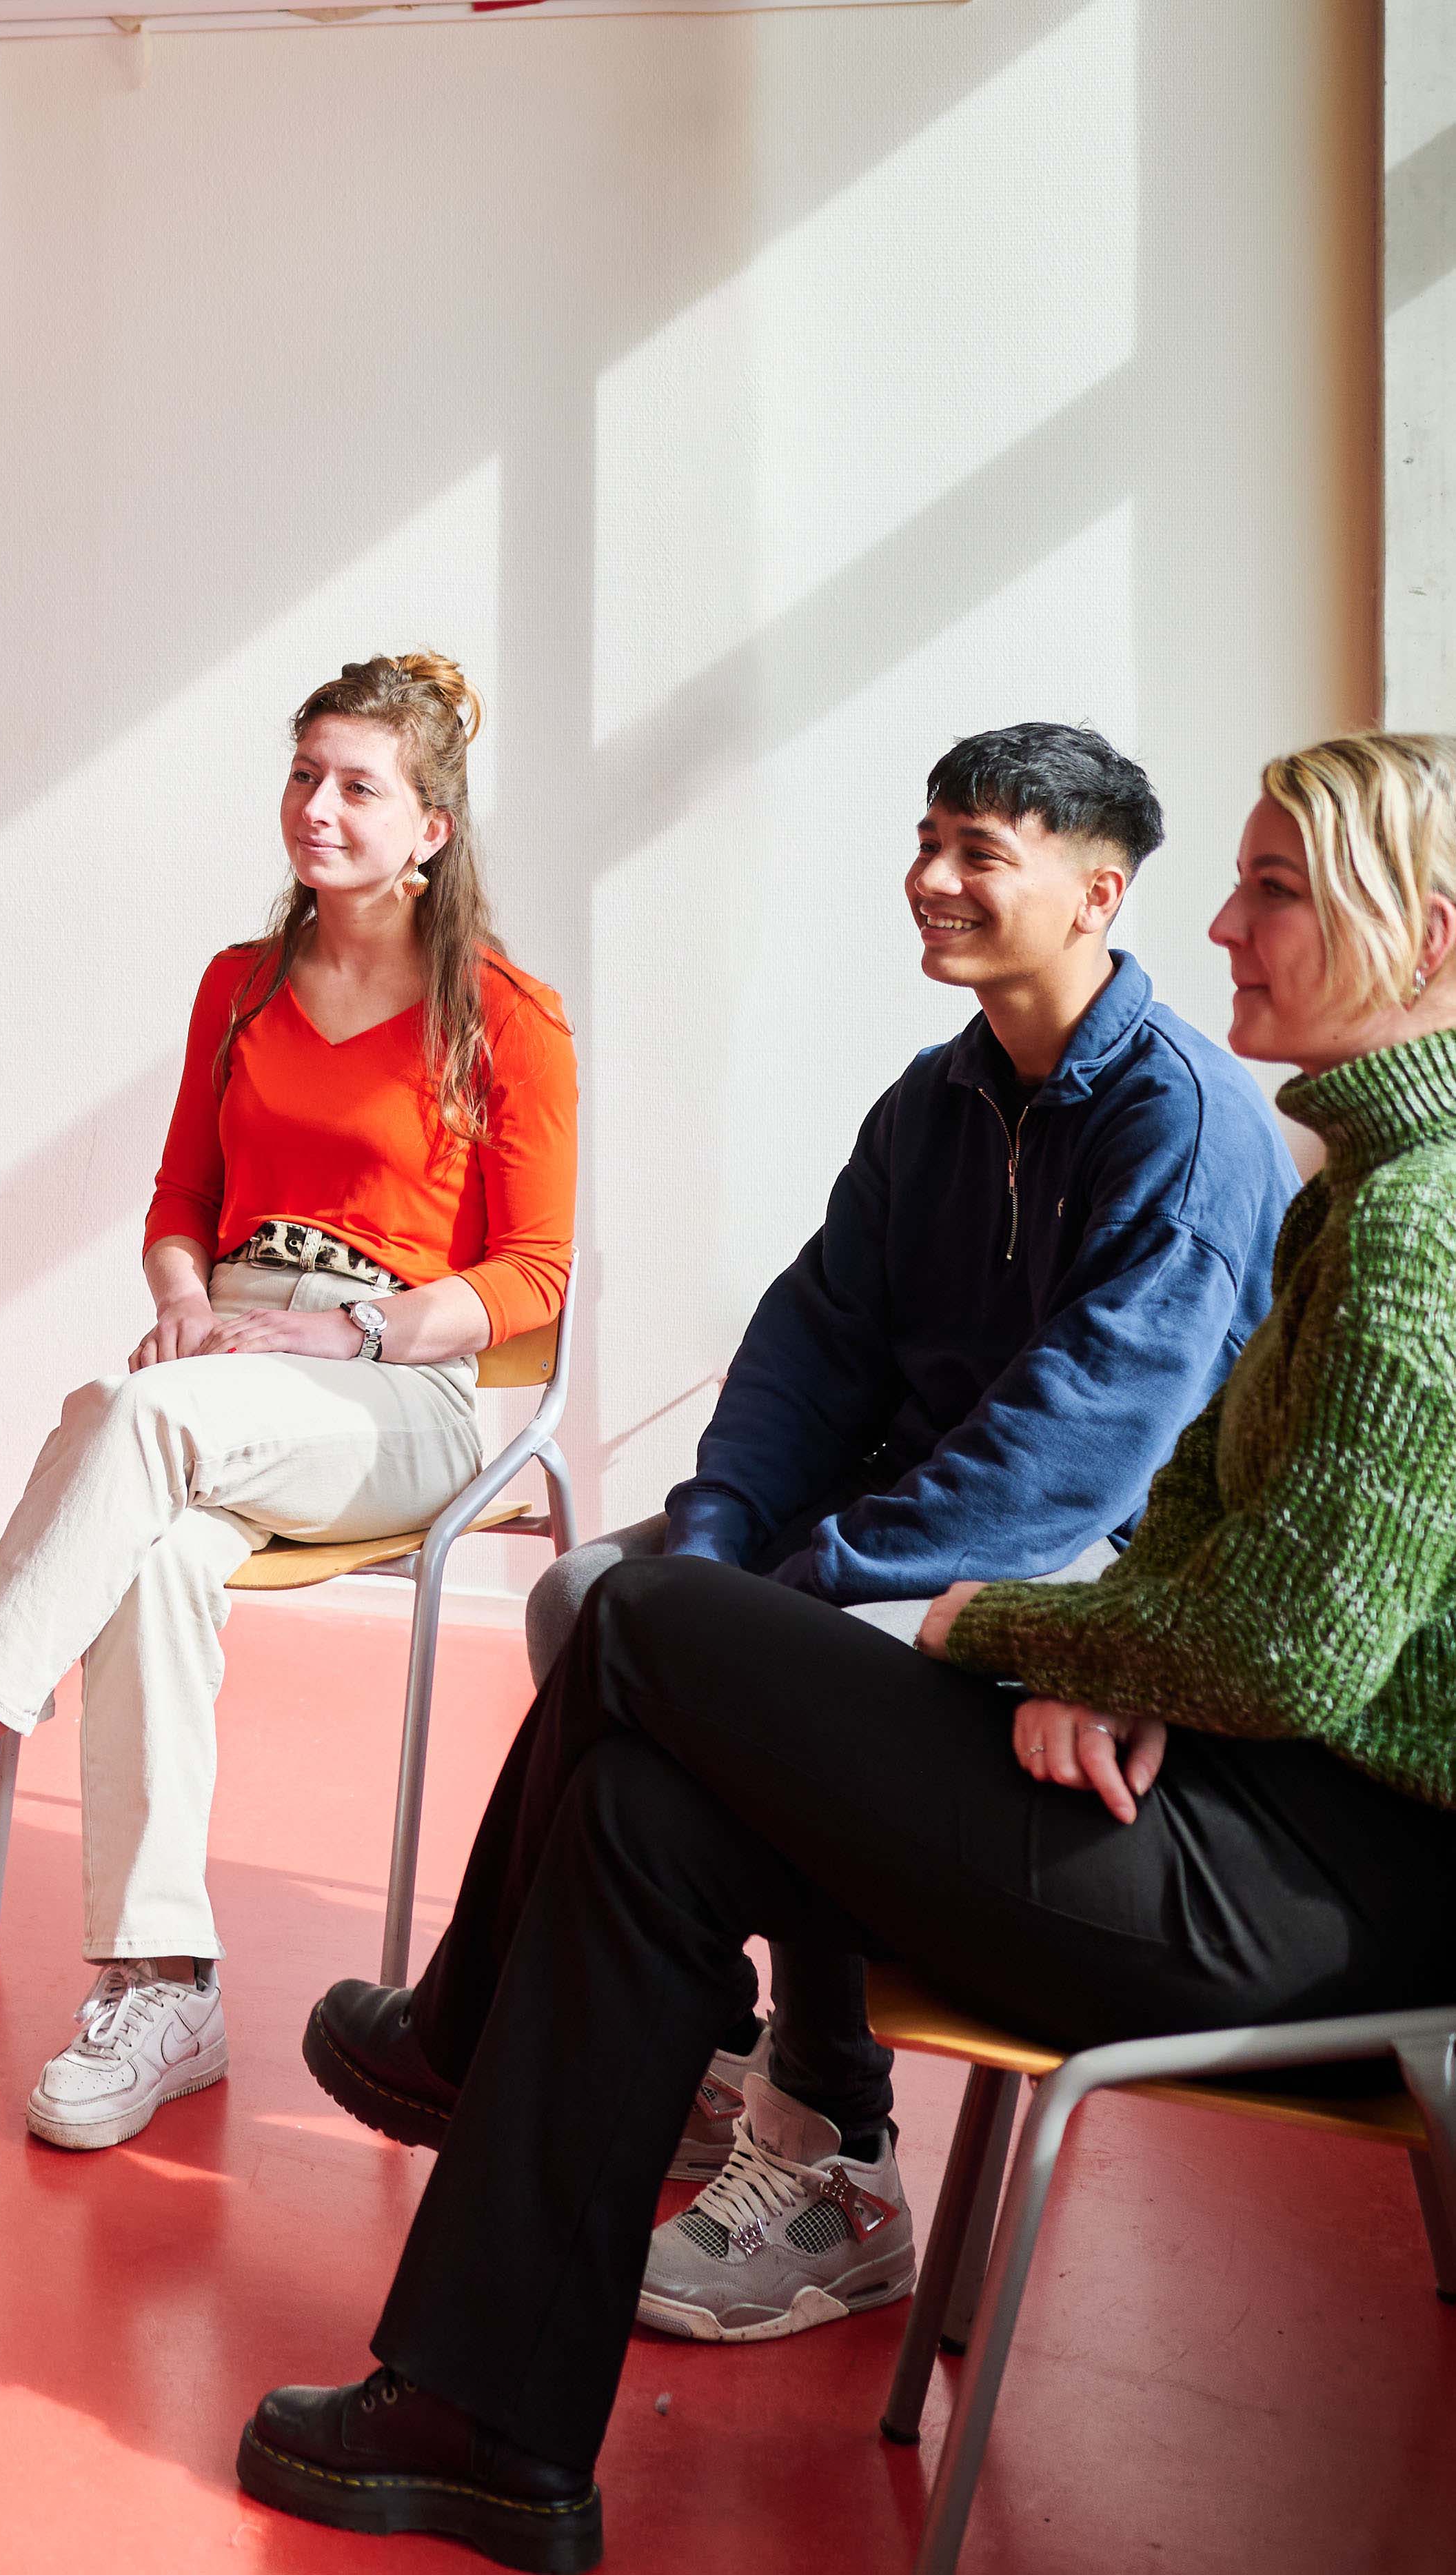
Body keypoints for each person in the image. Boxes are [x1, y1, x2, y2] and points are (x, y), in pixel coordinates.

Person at [235, 731, 1456, 2572]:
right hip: (1202, 1786)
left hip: (1307, 1894)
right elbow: (1198, 1525)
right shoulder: (1341, 1186)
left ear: (1423, 929)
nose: (1228, 915)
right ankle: (482, 2418)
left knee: (639, 1613)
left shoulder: (1411, 1225)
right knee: (646, 1797)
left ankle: (464, 2038)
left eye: (1272, 885)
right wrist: (1112, 1656)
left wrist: (1011, 1621)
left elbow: (1282, 1636)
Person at [337, 725, 1296, 2332]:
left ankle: (837, 2137)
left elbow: (1071, 1462)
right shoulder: (938, 1099)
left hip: (1082, 1576)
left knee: (777, 1677)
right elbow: (808, 1344)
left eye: (982, 850)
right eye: (928, 838)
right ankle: (704, 2025)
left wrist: (784, 1600)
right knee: (590, 1594)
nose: (931, 878)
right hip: (894, 1523)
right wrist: (717, 1546)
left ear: (1096, 892)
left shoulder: (1182, 1129)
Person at [0, 654, 574, 2152]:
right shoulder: (234, 989)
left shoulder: (508, 1017)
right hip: (228, 1352)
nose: (316, 806)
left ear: (431, 825)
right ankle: (159, 1979)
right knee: (157, 1548)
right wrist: (186, 1298)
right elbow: (180, 1198)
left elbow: (531, 1278)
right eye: (303, 772)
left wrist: (348, 1333)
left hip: (399, 1386)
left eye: (357, 785)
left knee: (123, 1420)